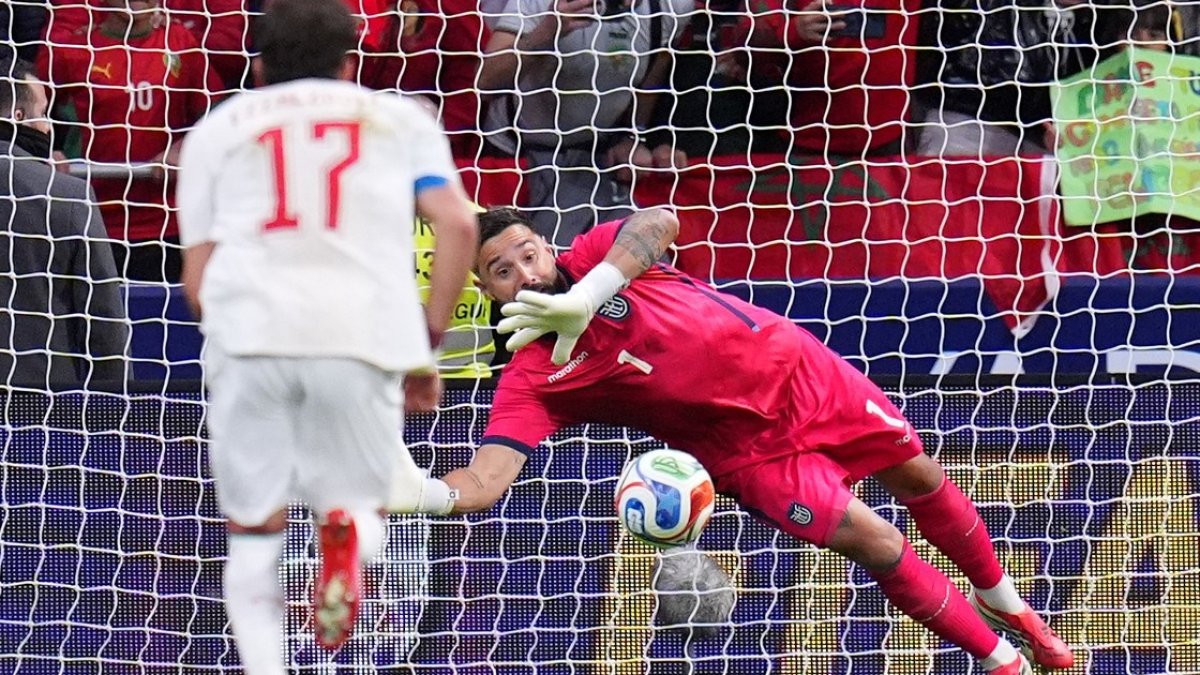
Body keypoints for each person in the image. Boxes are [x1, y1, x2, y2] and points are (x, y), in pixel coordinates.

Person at [400, 206, 1077, 675]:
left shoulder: (599, 253)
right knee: (877, 542)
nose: (525, 272)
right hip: (750, 455)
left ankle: (1007, 603)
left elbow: (660, 221)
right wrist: (418, 492)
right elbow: (484, 482)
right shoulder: (533, 379)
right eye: (502, 270)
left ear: (548, 247)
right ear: (486, 291)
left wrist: (593, 290)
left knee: (921, 477)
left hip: (803, 375)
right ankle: (1003, 661)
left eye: (528, 252)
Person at [175, 0, 477, 672]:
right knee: (361, 504)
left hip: (251, 336)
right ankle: (348, 539)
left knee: (253, 536)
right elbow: (458, 224)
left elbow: (197, 282)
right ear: (349, 62)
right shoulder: (400, 118)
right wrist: (424, 343)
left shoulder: (217, 131)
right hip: (357, 337)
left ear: (258, 64)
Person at [478, 0, 693, 246]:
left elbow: (652, 75)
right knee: (537, 258)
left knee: (643, 251)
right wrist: (546, 33)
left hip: (596, 158)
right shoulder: (540, 3)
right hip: (520, 156)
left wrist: (632, 135)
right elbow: (485, 82)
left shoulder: (673, 6)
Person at [37, 0, 224, 282]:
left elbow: (218, 116)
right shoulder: (72, 50)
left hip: (167, 223)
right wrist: (50, 150)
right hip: (94, 223)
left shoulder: (181, 43)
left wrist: (185, 147)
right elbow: (29, 114)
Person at [0, 57, 127, 389]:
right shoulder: (67, 196)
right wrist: (116, 407)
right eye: (43, 113)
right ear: (18, 117)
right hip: (40, 402)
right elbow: (104, 323)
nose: (48, 127)